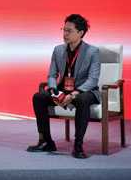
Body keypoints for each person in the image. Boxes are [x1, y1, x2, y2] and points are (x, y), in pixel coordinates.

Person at [27, 14, 100, 159]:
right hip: (62, 90)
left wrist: (73, 94)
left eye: (69, 31)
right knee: (39, 97)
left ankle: (78, 146)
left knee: (82, 100)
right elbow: (52, 75)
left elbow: (93, 80)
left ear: (80, 33)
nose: (65, 34)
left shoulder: (92, 52)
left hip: (83, 91)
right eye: (64, 30)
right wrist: (54, 91)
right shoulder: (58, 50)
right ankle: (46, 141)